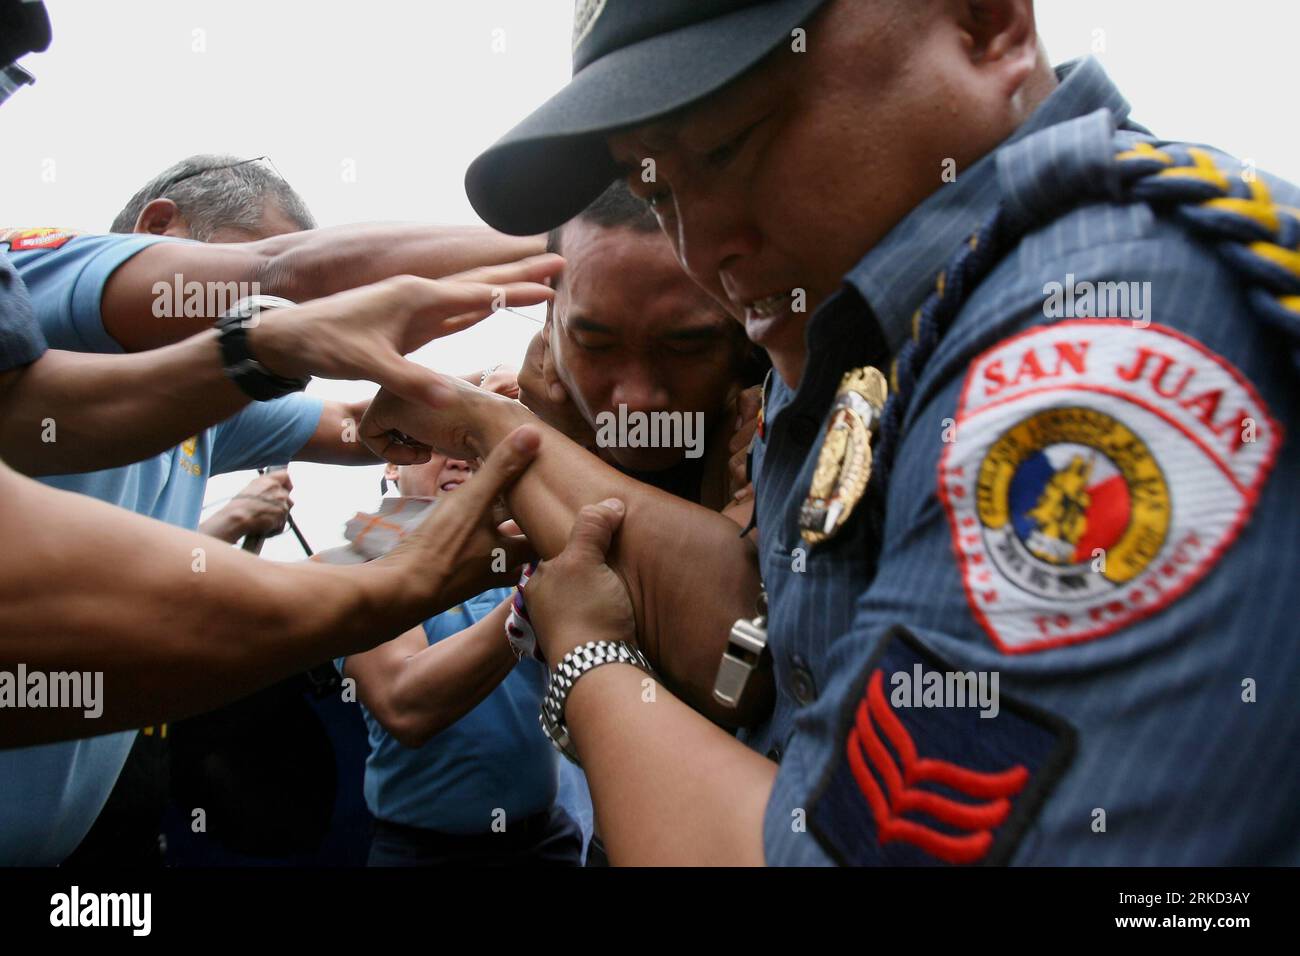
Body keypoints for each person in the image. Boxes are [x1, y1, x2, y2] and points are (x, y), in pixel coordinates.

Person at [394, 0, 1300, 865]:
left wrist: (592, 661)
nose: (702, 250)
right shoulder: (862, 327)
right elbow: (795, 651)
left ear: (986, 24)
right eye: (653, 187)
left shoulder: (1093, 358)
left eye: (727, 147)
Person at [342, 451, 582, 866]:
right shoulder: (356, 562)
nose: (457, 459)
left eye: (472, 445)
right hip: (424, 852)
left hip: (543, 839)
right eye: (430, 444)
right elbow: (407, 704)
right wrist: (534, 595)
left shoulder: (524, 549)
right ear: (391, 466)